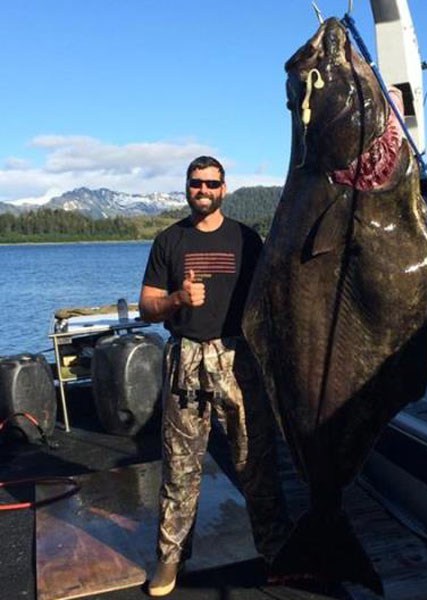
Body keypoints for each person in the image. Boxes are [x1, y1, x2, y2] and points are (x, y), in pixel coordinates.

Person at [139, 155, 292, 597]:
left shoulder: (247, 239)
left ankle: (276, 551)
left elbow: (272, 297)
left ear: (224, 188)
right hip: (186, 360)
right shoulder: (169, 240)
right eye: (195, 184)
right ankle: (169, 560)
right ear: (186, 188)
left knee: (256, 462)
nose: (202, 191)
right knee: (180, 469)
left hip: (238, 359)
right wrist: (176, 299)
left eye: (211, 184)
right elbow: (147, 307)